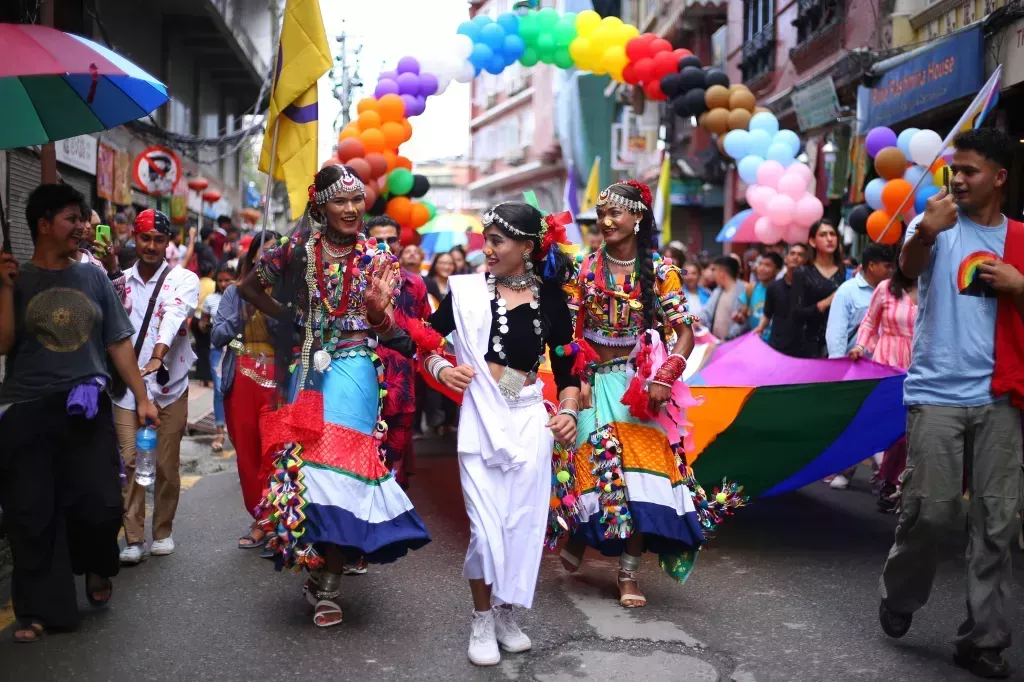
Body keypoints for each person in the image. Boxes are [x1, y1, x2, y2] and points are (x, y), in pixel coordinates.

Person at [239, 164, 430, 628]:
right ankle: (313, 558)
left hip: (357, 369)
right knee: (304, 471)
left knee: (342, 468)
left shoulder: (378, 255)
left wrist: (377, 313)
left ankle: (328, 584)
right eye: (340, 201)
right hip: (305, 369)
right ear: (320, 205)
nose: (350, 209)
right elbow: (247, 286)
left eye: (356, 200)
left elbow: (389, 328)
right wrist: (287, 313)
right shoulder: (295, 251)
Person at [878, 128, 1023, 680]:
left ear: (1000, 178)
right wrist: (923, 232)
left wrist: (1017, 283)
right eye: (952, 171)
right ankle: (900, 596)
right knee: (931, 514)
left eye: (969, 171)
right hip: (937, 394)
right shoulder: (936, 227)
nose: (957, 180)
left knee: (996, 521)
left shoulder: (1020, 239)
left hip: (1002, 396)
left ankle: (982, 640)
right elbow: (909, 267)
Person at [559, 181, 737, 610]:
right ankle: (578, 534)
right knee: (594, 470)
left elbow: (685, 333)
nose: (606, 221)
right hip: (592, 381)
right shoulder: (584, 267)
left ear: (637, 217)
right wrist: (575, 377)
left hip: (638, 387)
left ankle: (628, 572)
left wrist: (665, 376)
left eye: (616, 213)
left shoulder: (660, 270)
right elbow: (566, 332)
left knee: (642, 481)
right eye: (602, 213)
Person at [0, 184, 158, 643]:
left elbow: (118, 341)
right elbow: (5, 344)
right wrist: (3, 286)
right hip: (28, 409)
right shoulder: (18, 277)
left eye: (83, 218)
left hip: (85, 406)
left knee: (101, 504)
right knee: (32, 512)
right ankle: (35, 609)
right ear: (44, 224)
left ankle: (96, 563)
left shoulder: (92, 278)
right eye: (72, 218)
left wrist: (142, 397)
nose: (83, 226)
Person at [426, 201, 581, 666]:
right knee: (484, 526)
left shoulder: (551, 296)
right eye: (486, 239)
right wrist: (439, 366)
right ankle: (481, 618)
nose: (486, 248)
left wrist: (569, 410)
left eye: (497, 240)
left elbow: (569, 365)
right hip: (480, 417)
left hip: (529, 416)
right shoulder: (468, 292)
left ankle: (506, 614)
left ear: (527, 248)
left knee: (521, 525)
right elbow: (428, 338)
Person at [115, 209, 201, 566]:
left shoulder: (184, 279)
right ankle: (133, 537)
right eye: (145, 238)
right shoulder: (117, 282)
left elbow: (174, 314)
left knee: (166, 465)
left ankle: (162, 531)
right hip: (126, 390)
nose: (151, 246)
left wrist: (158, 356)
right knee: (132, 462)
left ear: (168, 243)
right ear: (135, 239)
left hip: (170, 386)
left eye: (158, 240)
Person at [212, 231, 281, 550]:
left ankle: (279, 520)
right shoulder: (233, 293)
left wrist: (269, 303)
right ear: (253, 256)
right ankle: (260, 519)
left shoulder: (292, 292)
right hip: (240, 378)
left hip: (279, 381)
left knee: (275, 453)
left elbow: (296, 334)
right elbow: (217, 337)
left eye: (276, 251)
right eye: (264, 251)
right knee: (248, 456)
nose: (269, 256)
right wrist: (246, 306)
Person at [366, 216, 431, 489]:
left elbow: (427, 330)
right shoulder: (356, 283)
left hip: (403, 384)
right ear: (367, 242)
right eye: (378, 239)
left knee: (395, 456)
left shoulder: (415, 285)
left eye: (391, 239)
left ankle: (395, 509)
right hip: (364, 379)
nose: (384, 245)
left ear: (400, 242)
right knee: (365, 453)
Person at [850, 264, 917, 512]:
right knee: (894, 430)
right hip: (887, 365)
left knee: (913, 430)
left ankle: (904, 486)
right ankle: (890, 483)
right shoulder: (886, 288)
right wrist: (860, 347)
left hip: (919, 367)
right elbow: (869, 322)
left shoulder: (934, 290)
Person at [826, 244, 893, 360]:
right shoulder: (847, 291)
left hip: (885, 366)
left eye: (892, 267)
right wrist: (837, 366)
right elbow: (836, 334)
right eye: (887, 266)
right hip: (855, 366)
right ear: (871, 266)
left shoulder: (894, 292)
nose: (890, 271)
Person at [790, 220, 845, 357]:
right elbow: (796, 313)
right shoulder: (802, 273)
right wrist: (826, 302)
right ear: (812, 242)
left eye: (833, 234)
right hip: (810, 343)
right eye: (823, 235)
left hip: (841, 342)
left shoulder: (846, 272)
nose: (829, 239)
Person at [200, 264, 234, 452]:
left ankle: (237, 433)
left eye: (227, 280)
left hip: (239, 350)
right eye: (219, 280)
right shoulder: (211, 300)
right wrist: (208, 325)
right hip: (217, 350)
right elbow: (202, 322)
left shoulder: (242, 297)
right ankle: (220, 432)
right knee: (219, 390)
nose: (223, 284)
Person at [758, 243, 809, 353]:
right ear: (786, 259)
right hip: (777, 347)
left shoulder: (810, 287)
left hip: (802, 349)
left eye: (800, 255)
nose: (795, 257)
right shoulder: (774, 286)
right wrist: (759, 329)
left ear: (806, 260)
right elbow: (767, 314)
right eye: (792, 253)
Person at [700, 256, 745, 341]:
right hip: (716, 342)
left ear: (722, 272)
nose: (713, 274)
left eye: (715, 270)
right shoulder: (718, 291)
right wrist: (697, 320)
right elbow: (707, 311)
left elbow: (742, 323)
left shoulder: (743, 291)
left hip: (733, 343)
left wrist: (728, 339)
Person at [739, 252, 782, 339]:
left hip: (775, 345)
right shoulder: (751, 288)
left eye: (767, 265)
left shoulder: (782, 291)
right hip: (755, 343)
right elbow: (743, 315)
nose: (761, 268)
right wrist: (739, 317)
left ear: (777, 270)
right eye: (760, 264)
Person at [192, 262, 216, 387]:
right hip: (206, 320)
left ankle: (202, 378)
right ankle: (209, 379)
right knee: (207, 350)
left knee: (200, 349)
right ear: (211, 272)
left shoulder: (196, 283)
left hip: (195, 319)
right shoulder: (213, 285)